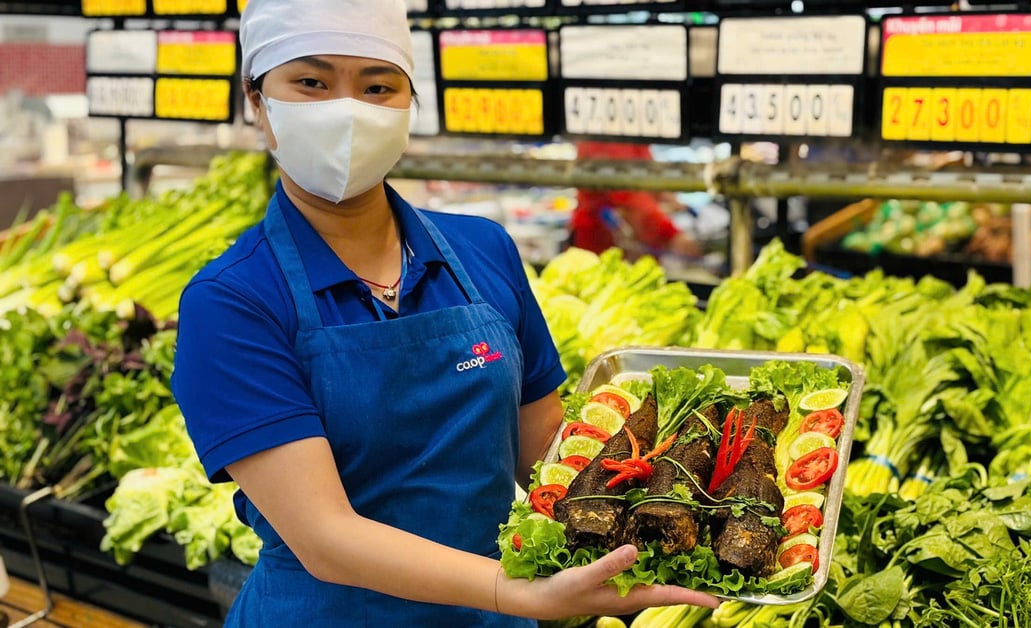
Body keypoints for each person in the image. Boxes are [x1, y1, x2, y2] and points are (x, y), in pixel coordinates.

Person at [170, 1, 719, 625]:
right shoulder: (232, 300)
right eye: (312, 83)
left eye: (377, 86)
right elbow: (325, 537)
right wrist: (513, 591)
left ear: (409, 103)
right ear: (257, 101)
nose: (347, 110)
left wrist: (687, 487)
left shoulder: (483, 250)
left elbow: (549, 455)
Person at [572, 141, 702, 258]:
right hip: (601, 238)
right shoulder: (605, 137)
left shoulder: (636, 136)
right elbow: (627, 198)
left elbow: (649, 174)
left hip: (628, 238)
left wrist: (668, 196)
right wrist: (670, 233)